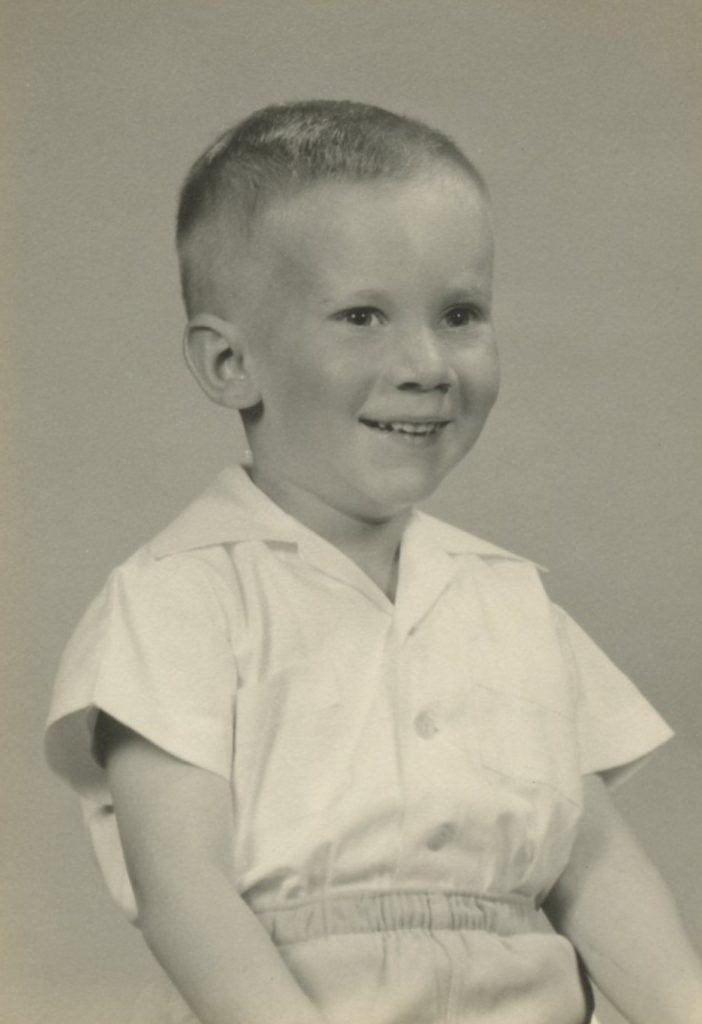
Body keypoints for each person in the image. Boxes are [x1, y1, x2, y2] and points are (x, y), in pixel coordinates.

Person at [45, 100, 702, 1024]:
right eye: (361, 316)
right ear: (231, 363)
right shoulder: (179, 600)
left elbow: (592, 868)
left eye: (460, 314)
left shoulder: (512, 603)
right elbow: (184, 895)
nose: (427, 363)